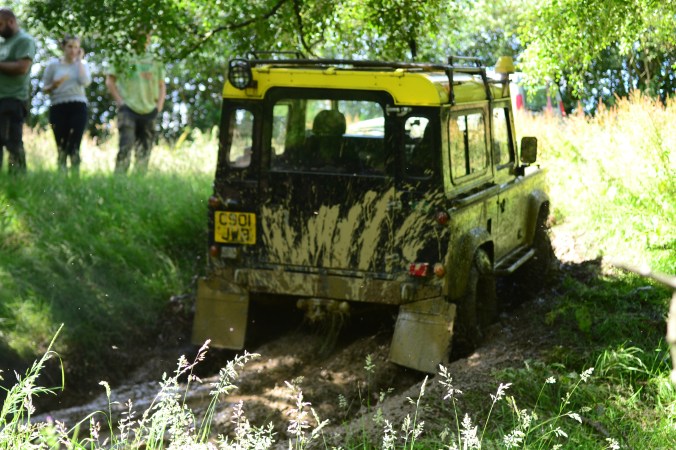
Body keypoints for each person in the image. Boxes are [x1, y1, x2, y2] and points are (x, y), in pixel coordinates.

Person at [105, 33, 165, 174]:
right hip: (128, 109)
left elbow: (162, 85)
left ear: (150, 37)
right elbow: (110, 80)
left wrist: (159, 106)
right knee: (125, 148)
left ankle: (139, 182)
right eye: (139, 34)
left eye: (146, 35)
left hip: (150, 110)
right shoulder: (122, 55)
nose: (143, 38)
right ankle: (119, 181)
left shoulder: (156, 59)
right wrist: (120, 102)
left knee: (144, 152)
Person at [42, 35, 91, 174]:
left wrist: (79, 61)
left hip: (78, 106)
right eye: (70, 46)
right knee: (61, 145)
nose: (73, 50)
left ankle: (75, 176)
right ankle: (61, 175)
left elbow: (85, 81)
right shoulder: (53, 66)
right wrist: (53, 85)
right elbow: (44, 88)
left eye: (76, 47)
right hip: (58, 106)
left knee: (74, 145)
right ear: (63, 47)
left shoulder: (82, 64)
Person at [0, 8, 36, 174]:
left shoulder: (24, 40)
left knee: (12, 141)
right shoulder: (2, 43)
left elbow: (22, 67)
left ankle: (18, 178)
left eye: (0, 24)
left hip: (14, 98)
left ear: (11, 22)